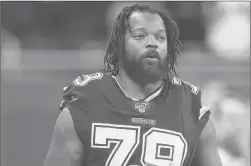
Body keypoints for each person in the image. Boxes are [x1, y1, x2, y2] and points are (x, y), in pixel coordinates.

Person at [44, 4, 222, 166]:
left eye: (160, 37)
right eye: (140, 35)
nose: (152, 43)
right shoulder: (84, 104)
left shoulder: (191, 109)